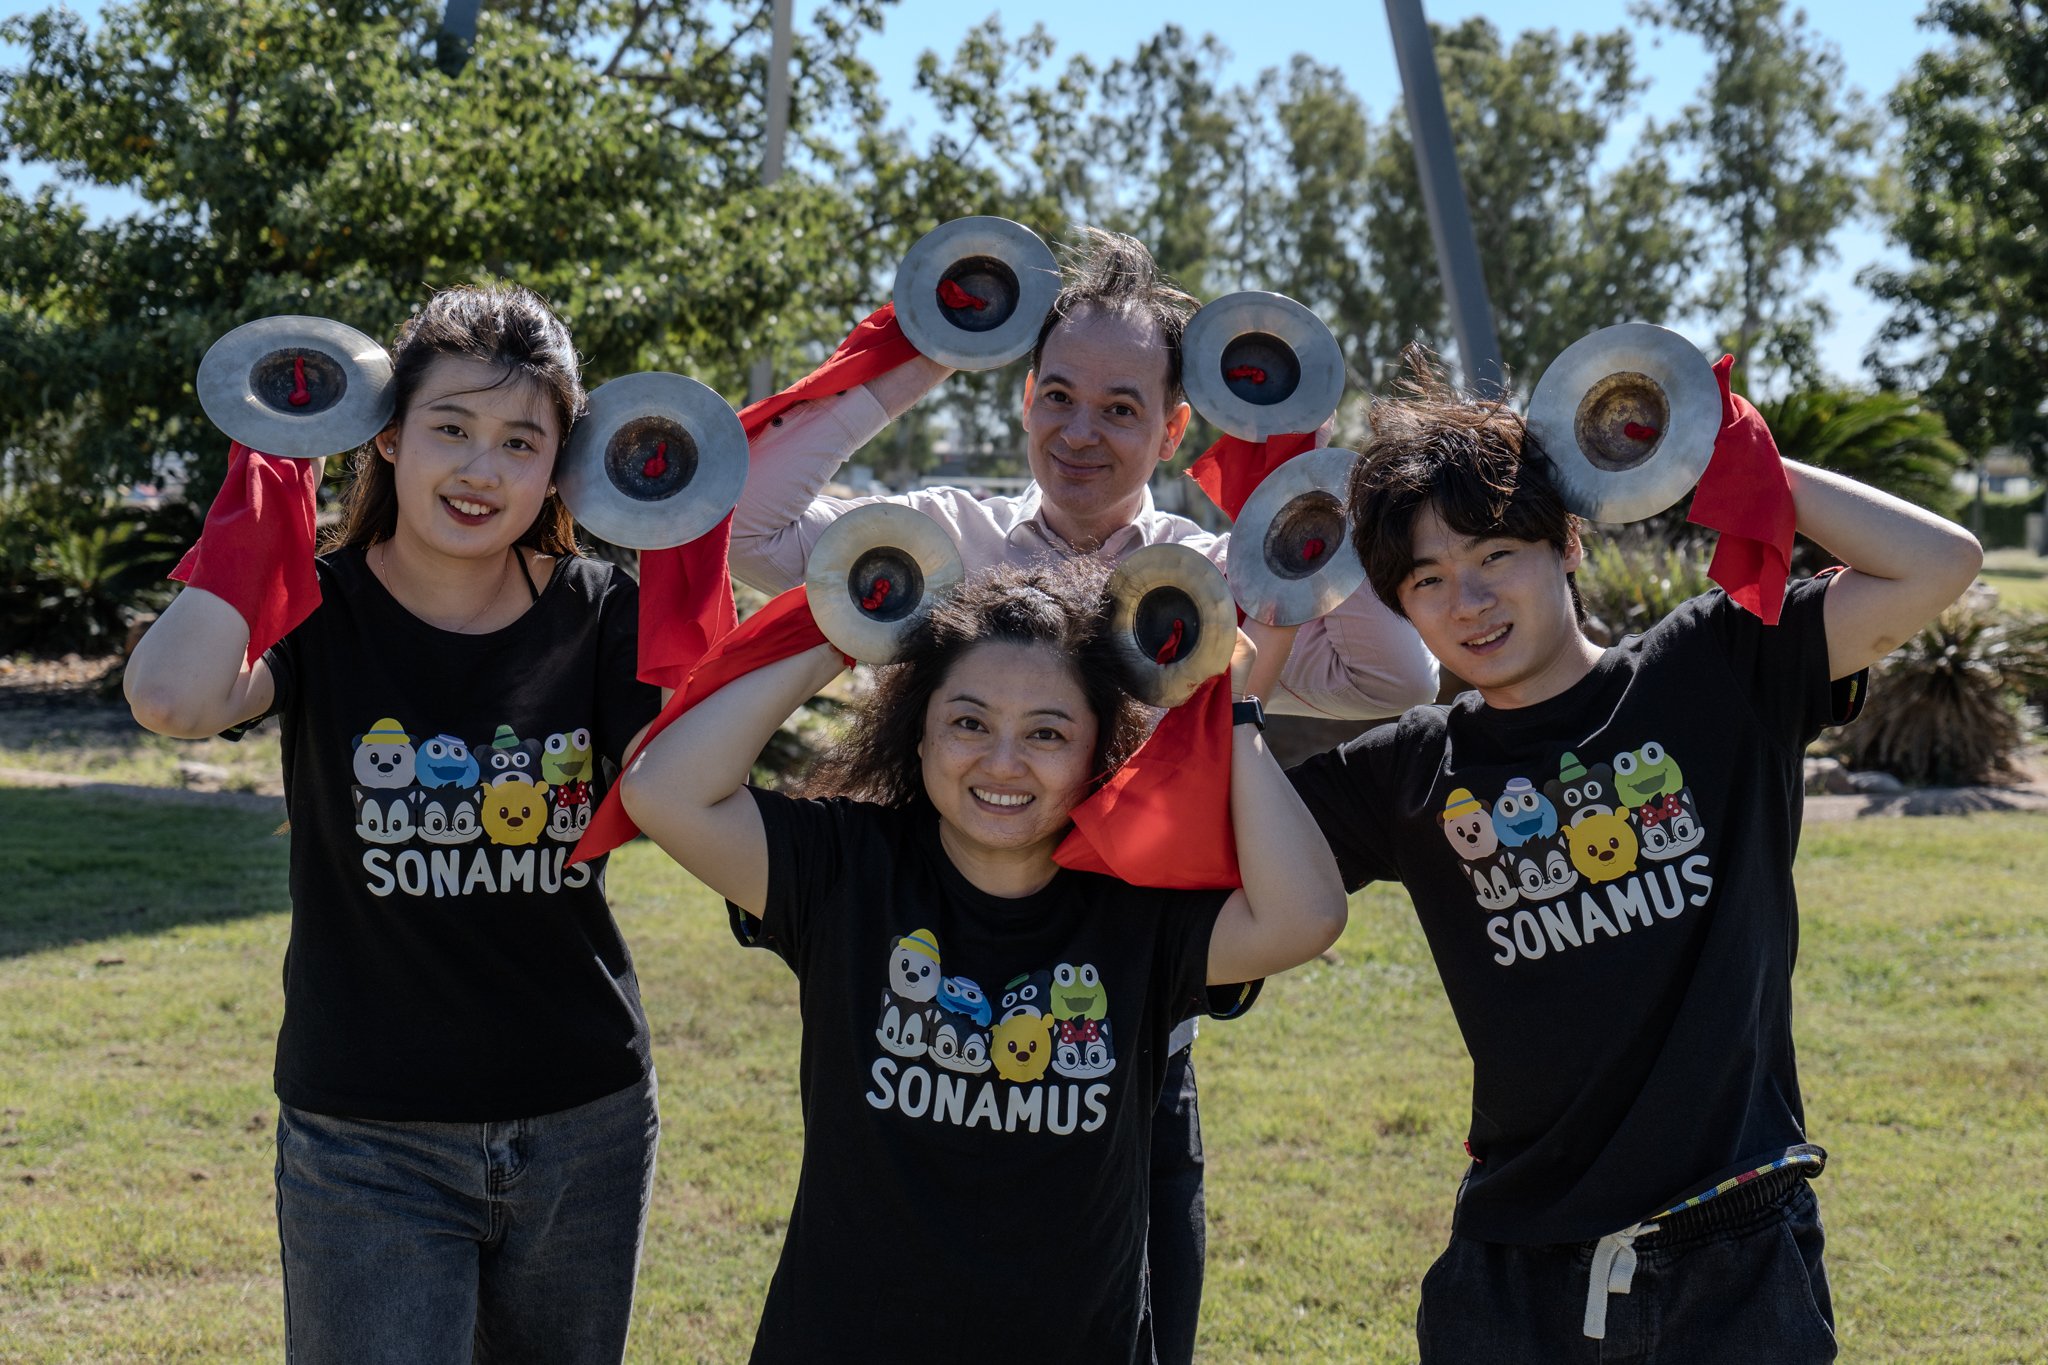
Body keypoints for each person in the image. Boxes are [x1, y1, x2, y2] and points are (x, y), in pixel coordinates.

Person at [730, 227, 1439, 1359]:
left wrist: (1281, 481)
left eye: (1120, 408)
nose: (1079, 432)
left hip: (1124, 1044)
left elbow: (1395, 674)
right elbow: (749, 525)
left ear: (1173, 428)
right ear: (1022, 399)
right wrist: (929, 349)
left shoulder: (1218, 580)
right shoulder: (942, 538)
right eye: (1056, 395)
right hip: (923, 1033)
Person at [1284, 350, 1984, 1362]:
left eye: (1494, 555)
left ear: (1567, 540)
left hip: (1736, 1258)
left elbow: (1937, 564)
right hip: (1513, 1277)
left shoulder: (1715, 667)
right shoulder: (1407, 772)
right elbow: (1211, 847)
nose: (1467, 600)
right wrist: (1250, 651)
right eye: (1427, 580)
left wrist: (1710, 453)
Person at [617, 558, 1347, 1363]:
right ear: (918, 730)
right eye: (968, 722)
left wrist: (1234, 714)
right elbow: (663, 791)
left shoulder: (1137, 902)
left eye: (1047, 733)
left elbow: (1306, 915)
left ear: (1098, 751)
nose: (1003, 763)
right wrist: (841, 634)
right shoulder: (847, 868)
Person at [124, 284, 663, 1364]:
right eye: (450, 429)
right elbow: (174, 698)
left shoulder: (601, 612)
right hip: (367, 1136)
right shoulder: (318, 608)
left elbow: (688, 782)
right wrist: (277, 466)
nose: (481, 469)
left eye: (521, 442)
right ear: (386, 437)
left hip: (584, 1122)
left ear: (558, 468)